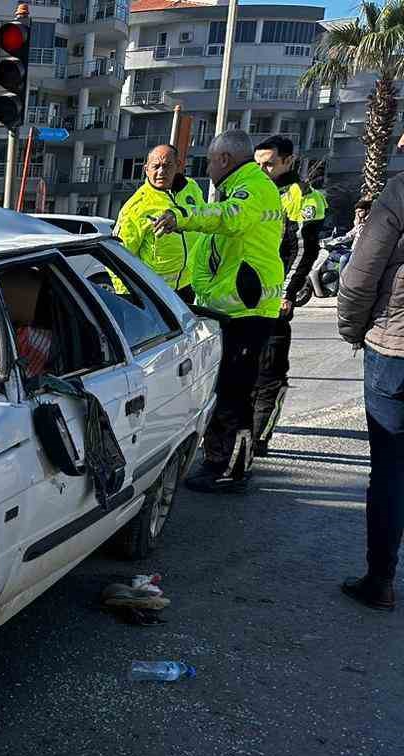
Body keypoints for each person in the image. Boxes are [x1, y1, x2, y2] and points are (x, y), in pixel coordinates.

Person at [151, 130, 285, 494]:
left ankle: (230, 469)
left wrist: (181, 216)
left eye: (209, 160)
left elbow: (229, 218)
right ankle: (221, 461)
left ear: (224, 159)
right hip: (232, 309)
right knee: (227, 390)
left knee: (234, 393)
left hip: (247, 311)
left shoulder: (251, 188)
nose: (207, 167)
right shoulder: (242, 186)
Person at [336, 171, 404, 611]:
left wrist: (353, 327)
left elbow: (361, 273)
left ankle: (380, 580)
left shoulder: (401, 189)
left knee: (391, 470)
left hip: (395, 349)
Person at [251, 134, 318, 453]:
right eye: (257, 164)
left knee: (269, 374)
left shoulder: (302, 196)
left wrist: (287, 293)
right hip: (244, 299)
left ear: (288, 161)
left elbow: (304, 250)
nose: (263, 170)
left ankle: (259, 437)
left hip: (275, 300)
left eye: (269, 164)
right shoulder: (252, 189)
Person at [115, 143, 202, 294]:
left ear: (178, 165)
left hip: (191, 285)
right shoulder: (136, 207)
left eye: (167, 166)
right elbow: (119, 257)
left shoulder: (192, 188)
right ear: (146, 169)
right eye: (156, 166)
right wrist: (128, 299)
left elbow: (203, 221)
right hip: (156, 293)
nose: (161, 171)